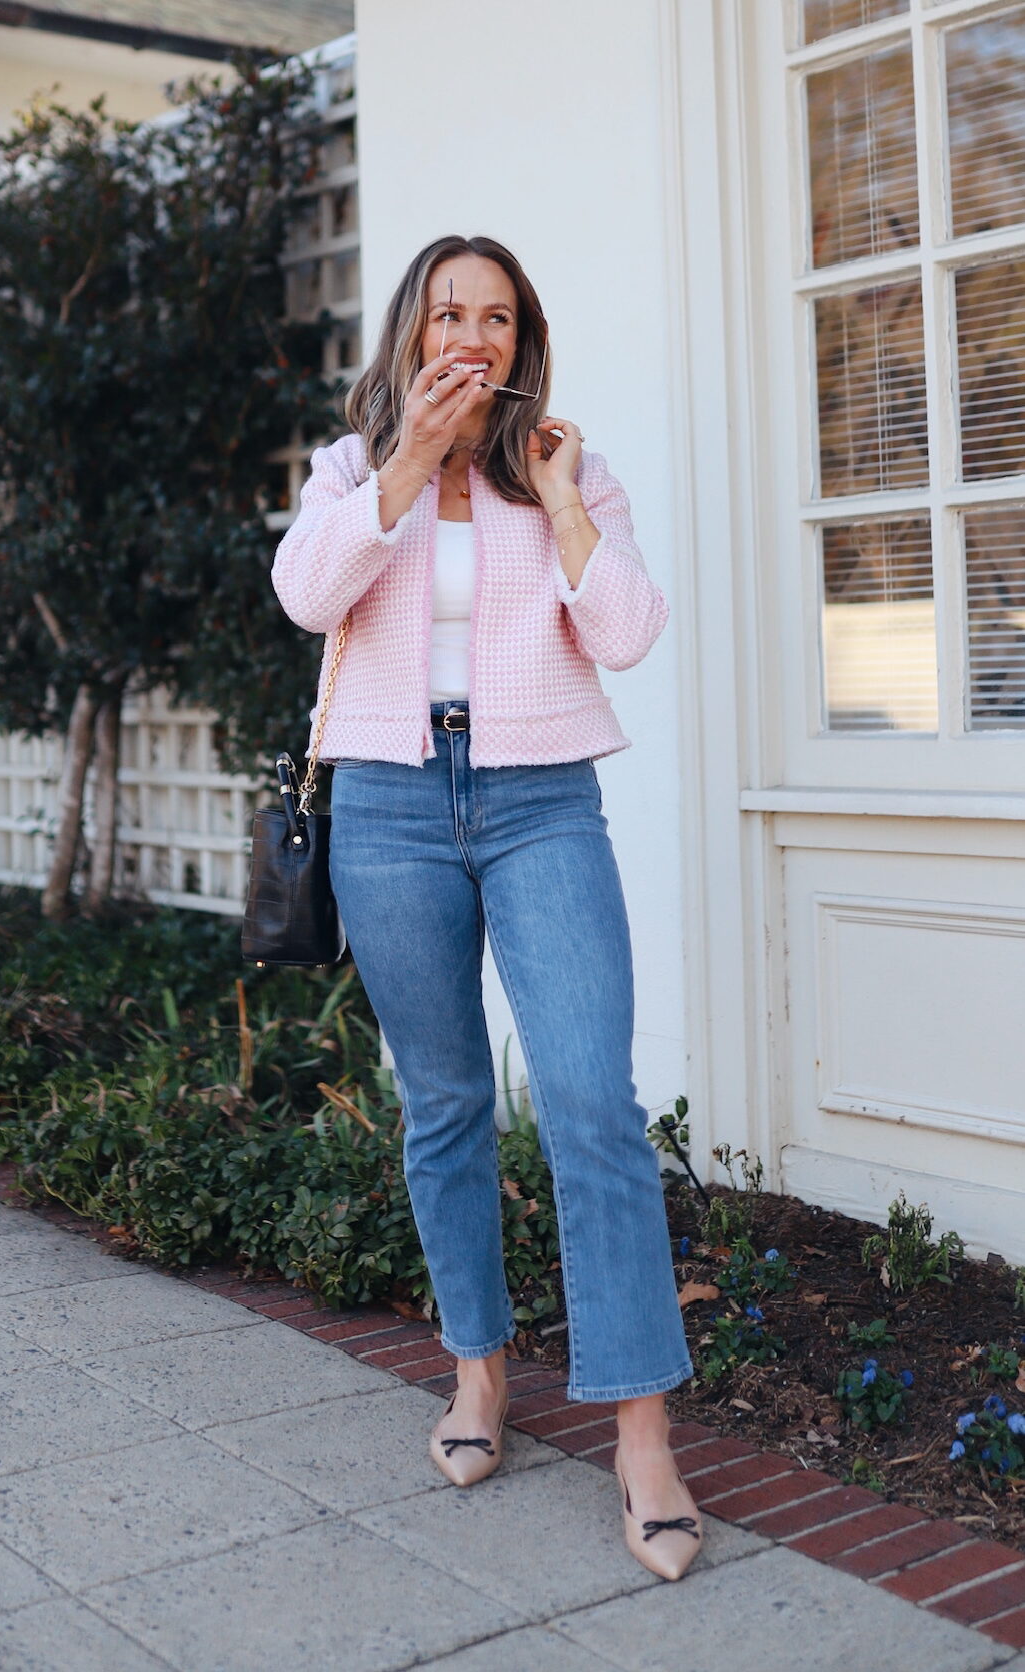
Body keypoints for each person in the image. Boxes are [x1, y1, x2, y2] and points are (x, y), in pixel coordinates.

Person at [272, 234, 701, 1580]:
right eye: (450, 312)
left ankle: (642, 1434)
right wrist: (407, 460)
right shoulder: (352, 471)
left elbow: (626, 632)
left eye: (498, 318)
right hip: (393, 810)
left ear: (523, 341)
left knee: (590, 1105)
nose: (474, 336)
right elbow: (304, 595)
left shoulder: (566, 466)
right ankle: (479, 1371)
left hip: (539, 800)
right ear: (412, 332)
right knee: (445, 1101)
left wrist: (563, 499)